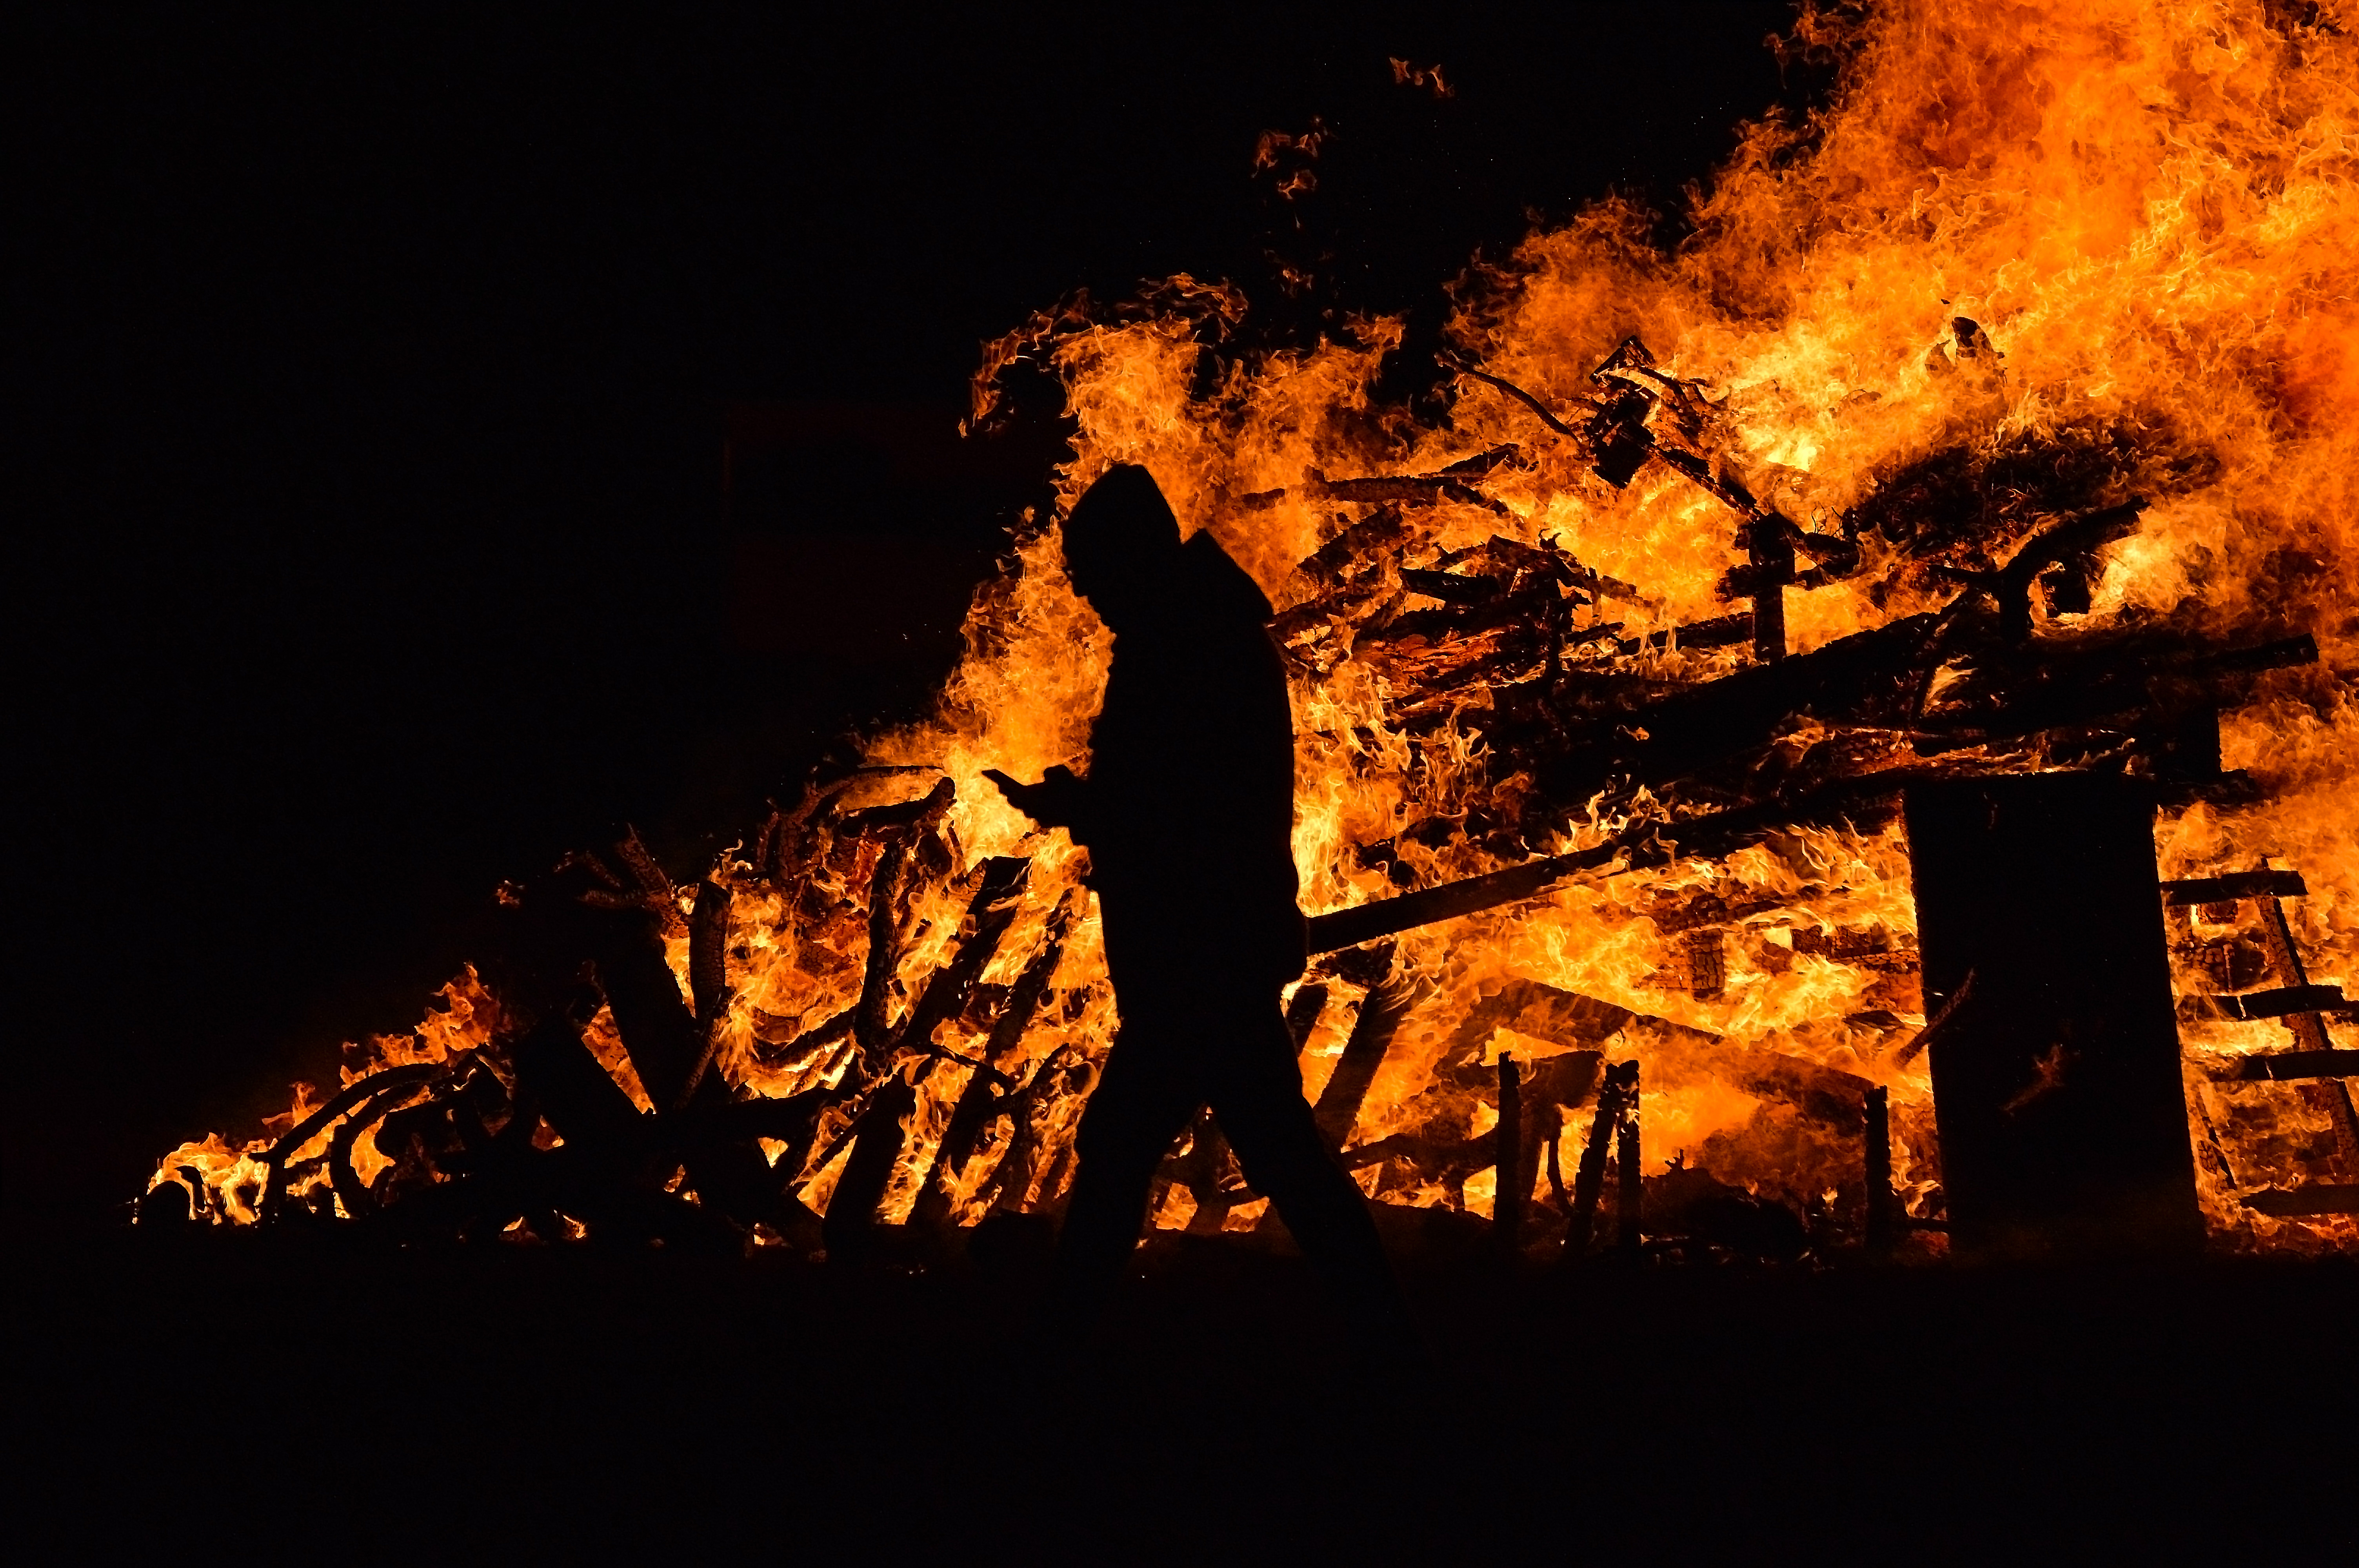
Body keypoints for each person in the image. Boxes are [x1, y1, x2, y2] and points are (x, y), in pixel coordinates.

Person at [985, 463, 1418, 1361]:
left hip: (1200, 947)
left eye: (1090, 569)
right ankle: (1384, 1329)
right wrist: (1087, 801)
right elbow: (1172, 788)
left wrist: (1079, 806)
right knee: (1265, 1149)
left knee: (1132, 1148)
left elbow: (1178, 802)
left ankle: (1058, 1345)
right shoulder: (1194, 630)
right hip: (1212, 940)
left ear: (1133, 555)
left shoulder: (1182, 642)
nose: (1082, 590)